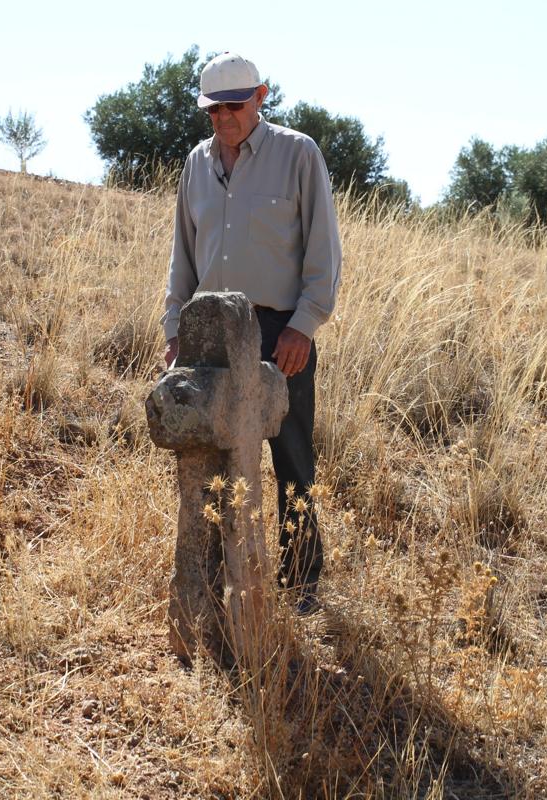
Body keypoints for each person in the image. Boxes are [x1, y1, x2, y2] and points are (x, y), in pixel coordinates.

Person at [161, 52, 342, 613]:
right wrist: (174, 332)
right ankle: (216, 578)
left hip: (278, 331)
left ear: (261, 97)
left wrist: (302, 327)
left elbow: (324, 251)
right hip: (209, 332)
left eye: (234, 106)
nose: (222, 119)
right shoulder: (195, 164)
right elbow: (182, 258)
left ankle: (302, 584)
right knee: (209, 457)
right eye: (213, 110)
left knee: (292, 459)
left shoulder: (297, 154)